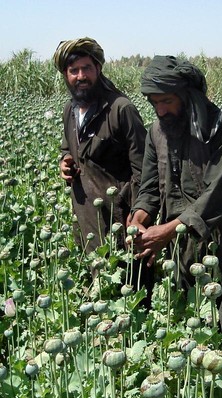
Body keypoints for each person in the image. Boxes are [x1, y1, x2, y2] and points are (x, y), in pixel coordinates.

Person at [128, 55, 222, 306]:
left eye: (167, 101)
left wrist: (165, 232)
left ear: (189, 96)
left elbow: (218, 196)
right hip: (180, 250)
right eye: (154, 103)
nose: (160, 110)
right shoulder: (157, 131)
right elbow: (150, 188)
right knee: (188, 322)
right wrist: (138, 220)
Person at [54, 38, 147, 256]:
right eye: (73, 70)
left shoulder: (120, 109)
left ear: (98, 68)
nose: (81, 76)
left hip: (119, 217)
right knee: (93, 273)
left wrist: (139, 214)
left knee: (127, 279)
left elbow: (144, 170)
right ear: (66, 75)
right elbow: (68, 148)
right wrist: (65, 162)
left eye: (86, 68)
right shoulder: (70, 110)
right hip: (85, 215)